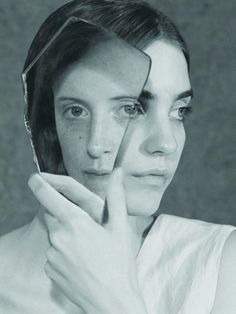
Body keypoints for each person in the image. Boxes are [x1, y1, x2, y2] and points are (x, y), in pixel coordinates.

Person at [0, 1, 235, 313]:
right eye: (133, 108)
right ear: (50, 121)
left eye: (179, 111)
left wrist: (113, 301)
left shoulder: (219, 265)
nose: (166, 143)